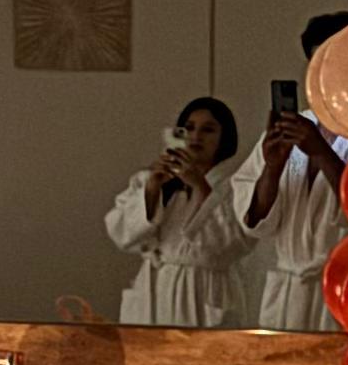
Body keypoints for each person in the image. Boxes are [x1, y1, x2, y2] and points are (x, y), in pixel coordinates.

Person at [224, 13, 348, 328]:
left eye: (333, 61)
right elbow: (254, 219)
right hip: (287, 291)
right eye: (316, 63)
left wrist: (321, 152)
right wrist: (273, 167)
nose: (324, 74)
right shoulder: (296, 126)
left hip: (346, 287)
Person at [104, 95, 250, 325]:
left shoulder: (234, 187)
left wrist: (200, 186)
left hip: (204, 291)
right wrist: (153, 188)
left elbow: (230, 243)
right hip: (154, 289)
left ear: (225, 138)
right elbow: (120, 233)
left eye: (208, 130)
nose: (196, 136)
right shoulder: (151, 180)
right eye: (189, 128)